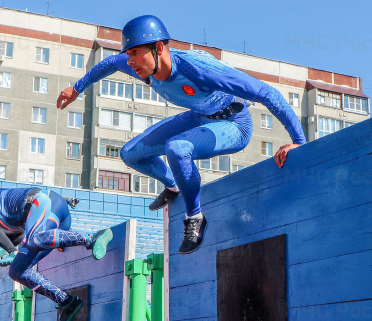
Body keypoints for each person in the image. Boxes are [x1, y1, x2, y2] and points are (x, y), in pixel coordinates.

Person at [58, 15, 306, 254]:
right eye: (128, 54)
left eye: (135, 53)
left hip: (234, 123)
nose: (130, 61)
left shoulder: (199, 68)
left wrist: (299, 142)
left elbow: (267, 93)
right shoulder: (143, 66)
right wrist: (76, 88)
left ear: (158, 47)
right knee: (130, 154)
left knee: (178, 148)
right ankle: (173, 185)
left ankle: (195, 217)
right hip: (199, 116)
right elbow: (110, 63)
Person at [0, 141, 114, 321]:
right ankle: (67, 302)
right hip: (49, 224)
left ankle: (91, 239)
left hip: (46, 202)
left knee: (35, 238)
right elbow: (15, 238)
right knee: (17, 271)